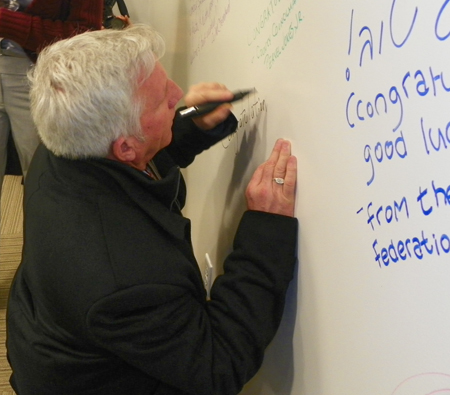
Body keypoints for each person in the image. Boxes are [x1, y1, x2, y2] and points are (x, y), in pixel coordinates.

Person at [6, 24, 298, 395]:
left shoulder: (65, 141)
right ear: (126, 146)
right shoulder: (123, 280)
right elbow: (219, 364)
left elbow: (131, 173)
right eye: (164, 99)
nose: (180, 93)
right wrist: (265, 231)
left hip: (52, 329)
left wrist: (189, 124)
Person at [0, 0, 103, 223]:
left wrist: (5, 21)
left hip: (38, 72)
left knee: (44, 177)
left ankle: (46, 254)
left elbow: (83, 33)